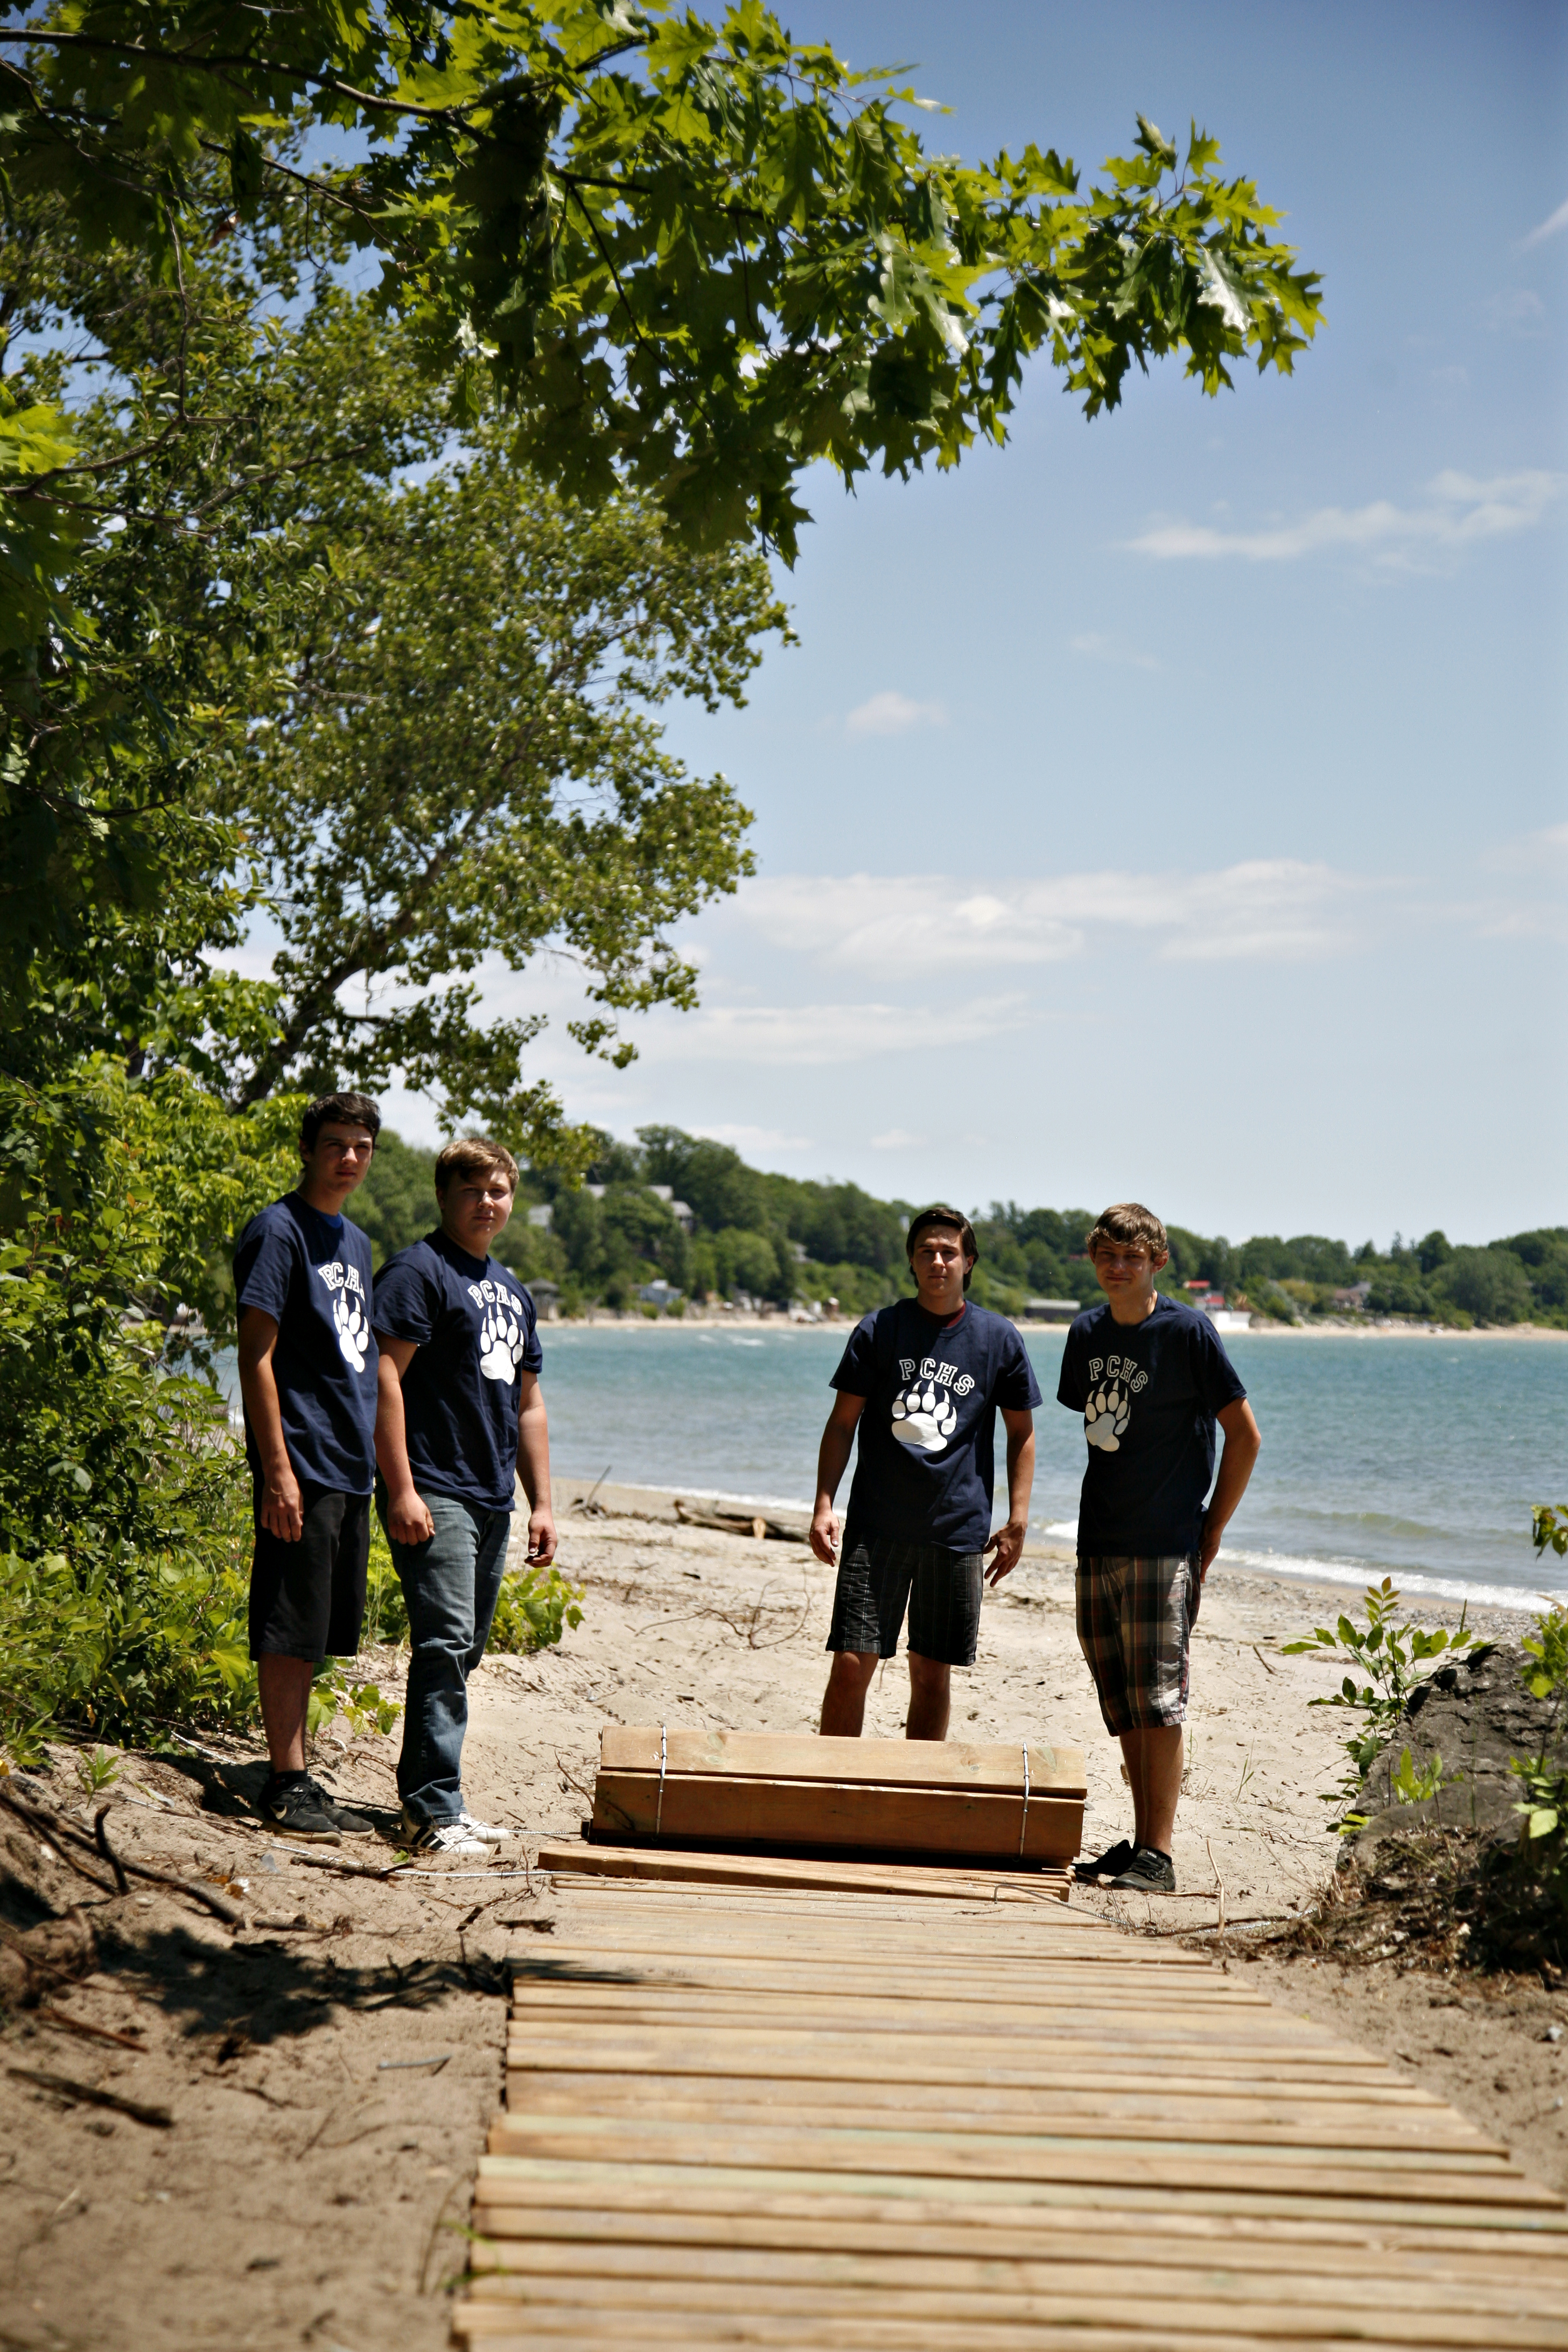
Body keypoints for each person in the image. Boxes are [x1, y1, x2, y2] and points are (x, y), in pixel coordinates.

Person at [1058, 1201, 1262, 1894]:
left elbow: (1245, 1434)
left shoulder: (1186, 1332)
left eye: (1133, 1257)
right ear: (1094, 1260)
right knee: (1120, 1697)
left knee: (1159, 1698)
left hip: (1164, 1539)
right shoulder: (1084, 1332)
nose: (1118, 1268)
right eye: (1107, 1256)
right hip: (1098, 1538)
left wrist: (1212, 1527)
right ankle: (1139, 1842)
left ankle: (1160, 1854)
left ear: (1157, 1262)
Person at [371, 1138, 557, 1856]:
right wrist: (402, 1488)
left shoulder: (511, 1290)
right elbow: (385, 1375)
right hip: (434, 1487)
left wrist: (541, 1502)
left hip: (491, 1496)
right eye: (474, 1190)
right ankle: (430, 1813)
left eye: (500, 1191)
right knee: (445, 1643)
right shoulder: (419, 1271)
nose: (489, 1202)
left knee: (466, 1648)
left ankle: (439, 1799)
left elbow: (528, 1404)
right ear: (445, 1196)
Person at [811, 1206, 1042, 1740]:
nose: (937, 1261)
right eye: (925, 1252)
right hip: (877, 1527)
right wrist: (824, 1503)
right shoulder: (879, 1329)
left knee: (931, 1673)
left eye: (948, 1252)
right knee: (850, 1663)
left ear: (968, 1262)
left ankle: (918, 1800)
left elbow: (1021, 1434)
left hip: (955, 1531)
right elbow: (843, 1422)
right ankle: (833, 1792)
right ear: (912, 1263)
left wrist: (1018, 1519)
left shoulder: (998, 1339)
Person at [234, 1093, 382, 1839]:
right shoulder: (278, 1231)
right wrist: (278, 1471)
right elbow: (255, 1354)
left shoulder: (354, 1241)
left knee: (320, 1628)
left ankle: (300, 1772)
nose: (348, 1157)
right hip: (304, 1456)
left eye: (361, 1146)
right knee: (289, 1625)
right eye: (335, 1144)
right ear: (307, 1148)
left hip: (350, 1466)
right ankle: (284, 1780)